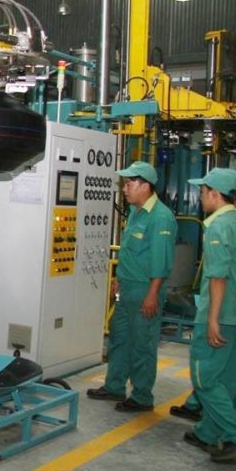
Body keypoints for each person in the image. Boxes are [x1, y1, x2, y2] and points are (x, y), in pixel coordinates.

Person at [87, 161, 177, 412]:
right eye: (124, 183)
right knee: (119, 339)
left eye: (129, 184)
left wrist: (152, 295)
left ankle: (141, 396)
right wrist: (119, 278)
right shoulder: (137, 212)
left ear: (145, 186)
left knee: (142, 344)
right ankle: (114, 386)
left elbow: (162, 263)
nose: (124, 189)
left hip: (145, 290)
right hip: (126, 288)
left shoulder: (161, 218)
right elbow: (130, 252)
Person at [183, 168, 236, 462]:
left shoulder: (217, 226)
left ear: (215, 194)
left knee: (204, 378)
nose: (200, 198)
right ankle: (209, 432)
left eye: (203, 193)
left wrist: (212, 317)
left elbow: (218, 276)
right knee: (227, 375)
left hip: (221, 312)